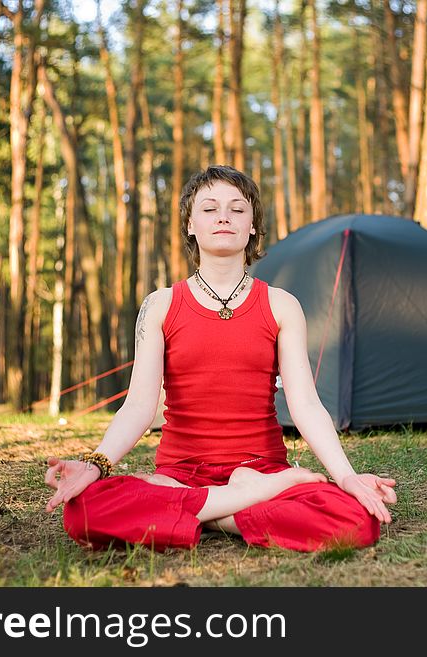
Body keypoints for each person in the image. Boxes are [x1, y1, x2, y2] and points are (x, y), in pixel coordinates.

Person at [45, 165, 397, 552]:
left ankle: (190, 514)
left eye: (237, 209)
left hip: (260, 468)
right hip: (181, 475)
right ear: (191, 225)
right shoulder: (160, 305)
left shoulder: (281, 305)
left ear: (253, 226)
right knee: (82, 511)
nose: (224, 216)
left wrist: (346, 478)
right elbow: (139, 406)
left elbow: (306, 405)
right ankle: (236, 510)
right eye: (210, 208)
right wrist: (95, 465)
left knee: (356, 521)